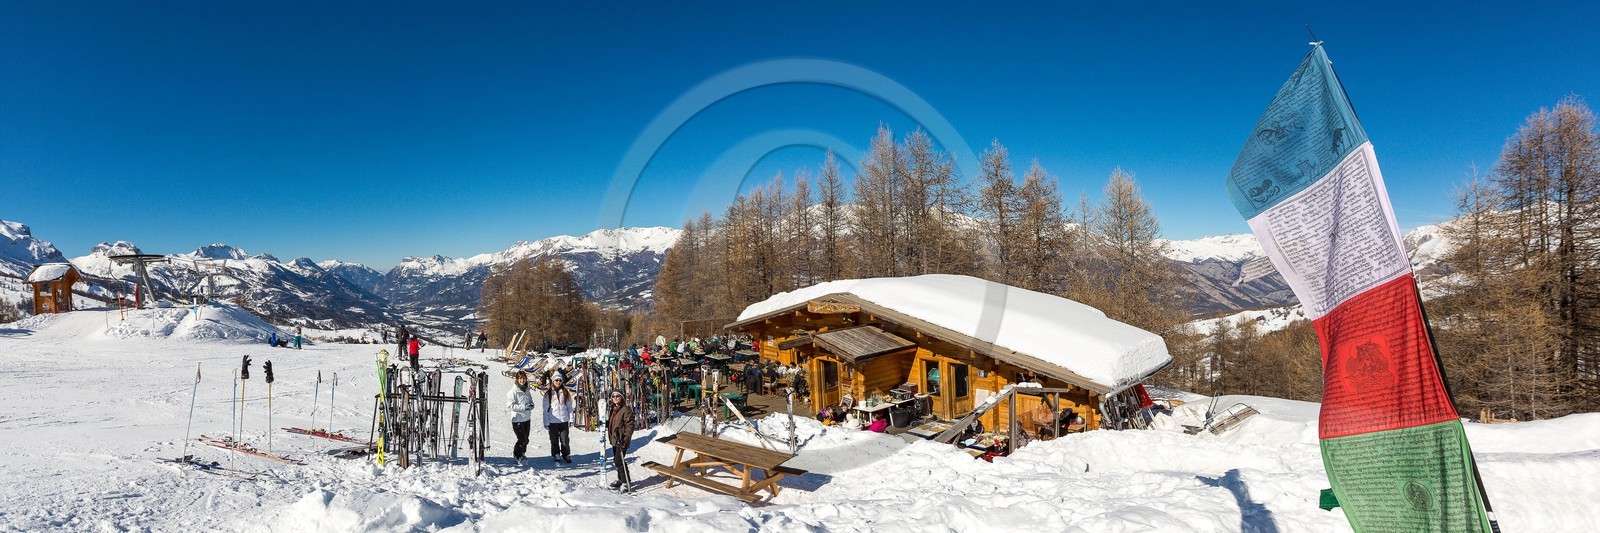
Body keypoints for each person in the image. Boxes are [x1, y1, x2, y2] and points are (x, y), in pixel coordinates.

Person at [606, 388, 635, 492]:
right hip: (614, 439)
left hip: (622, 439)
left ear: (622, 397)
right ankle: (620, 479)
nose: (615, 398)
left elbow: (630, 425)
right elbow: (613, 423)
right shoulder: (613, 409)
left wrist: (626, 438)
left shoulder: (625, 410)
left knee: (619, 461)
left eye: (617, 396)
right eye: (613, 396)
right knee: (616, 460)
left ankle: (625, 482)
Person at [543, 371, 574, 463]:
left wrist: (571, 418)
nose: (558, 382)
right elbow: (545, 409)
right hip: (553, 420)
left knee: (565, 439)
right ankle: (556, 453)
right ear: (553, 381)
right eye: (556, 380)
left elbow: (569, 407)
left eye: (560, 380)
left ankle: (566, 454)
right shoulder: (548, 394)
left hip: (564, 419)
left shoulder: (565, 392)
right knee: (554, 439)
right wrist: (546, 422)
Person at [506, 371, 535, 466]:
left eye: (524, 378)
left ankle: (522, 453)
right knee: (521, 439)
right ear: (517, 379)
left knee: (526, 439)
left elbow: (530, 400)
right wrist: (523, 407)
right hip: (517, 419)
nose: (522, 380)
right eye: (520, 379)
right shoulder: (513, 391)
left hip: (526, 418)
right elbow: (510, 405)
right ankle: (517, 455)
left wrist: (531, 405)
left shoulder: (527, 389)